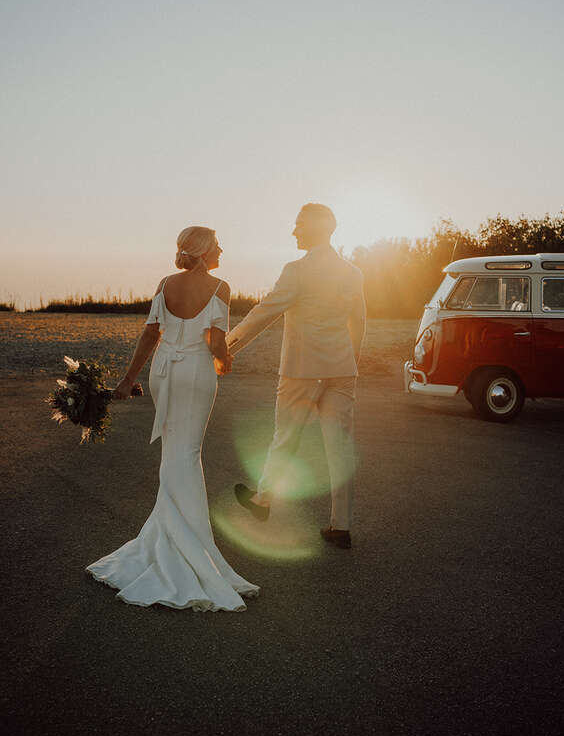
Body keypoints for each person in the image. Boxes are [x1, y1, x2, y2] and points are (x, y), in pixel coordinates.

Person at [86, 226, 259, 611]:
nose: (222, 250)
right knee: (188, 453)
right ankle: (190, 548)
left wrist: (128, 379)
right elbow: (216, 342)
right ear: (204, 251)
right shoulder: (221, 287)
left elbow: (150, 335)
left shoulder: (165, 284)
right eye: (217, 245)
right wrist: (225, 359)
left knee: (174, 451)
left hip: (164, 370)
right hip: (195, 371)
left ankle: (171, 535)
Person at [227, 204, 366, 549]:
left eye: (299, 225)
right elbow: (359, 322)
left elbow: (264, 313)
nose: (293, 231)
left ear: (316, 228)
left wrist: (227, 346)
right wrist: (350, 361)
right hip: (341, 369)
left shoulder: (297, 270)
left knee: (285, 437)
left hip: (302, 371)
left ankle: (263, 500)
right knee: (340, 448)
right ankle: (341, 527)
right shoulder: (352, 272)